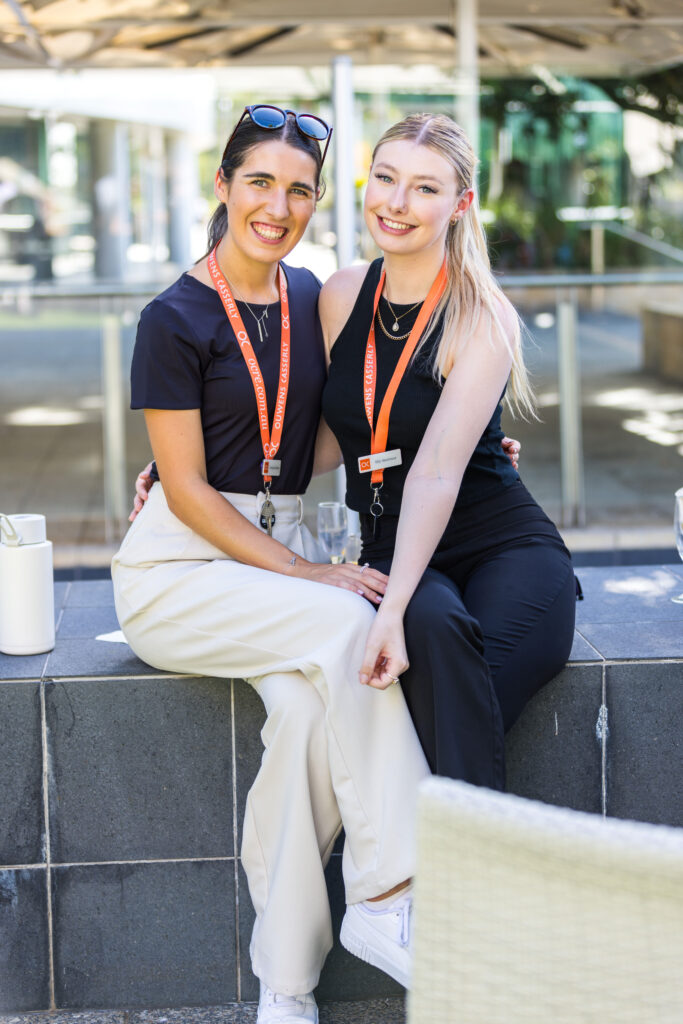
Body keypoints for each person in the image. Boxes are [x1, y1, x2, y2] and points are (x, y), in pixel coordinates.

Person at [111, 105, 433, 1024]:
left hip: (272, 554)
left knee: (300, 721)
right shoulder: (172, 317)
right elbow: (185, 490)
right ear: (222, 186)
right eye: (259, 182)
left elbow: (323, 438)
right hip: (180, 571)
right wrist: (305, 573)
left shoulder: (309, 297)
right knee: (350, 620)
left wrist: (439, 441)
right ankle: (393, 888)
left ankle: (285, 985)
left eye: (299, 191)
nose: (278, 206)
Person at [320, 112, 577, 789]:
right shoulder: (340, 295)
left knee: (449, 687)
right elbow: (320, 440)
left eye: (425, 188)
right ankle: (469, 855)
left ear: (460, 204)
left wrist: (390, 610)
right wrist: (191, 467)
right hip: (394, 544)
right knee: (435, 643)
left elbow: (436, 471)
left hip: (504, 543)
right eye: (385, 178)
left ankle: (410, 857)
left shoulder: (480, 314)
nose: (397, 203)